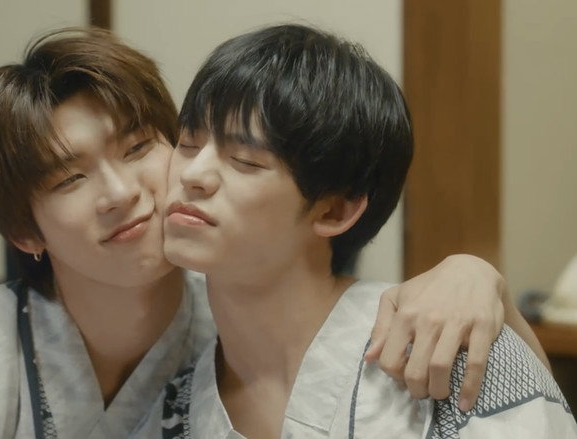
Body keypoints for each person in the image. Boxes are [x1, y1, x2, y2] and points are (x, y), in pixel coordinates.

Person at [0, 28, 547, 438]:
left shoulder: (263, 308)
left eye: (141, 147)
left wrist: (480, 280)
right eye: (69, 179)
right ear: (23, 230)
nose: (126, 191)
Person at [136, 24, 576, 438]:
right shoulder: (171, 410)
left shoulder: (451, 353)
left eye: (245, 161)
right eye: (188, 143)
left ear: (334, 210)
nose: (193, 174)